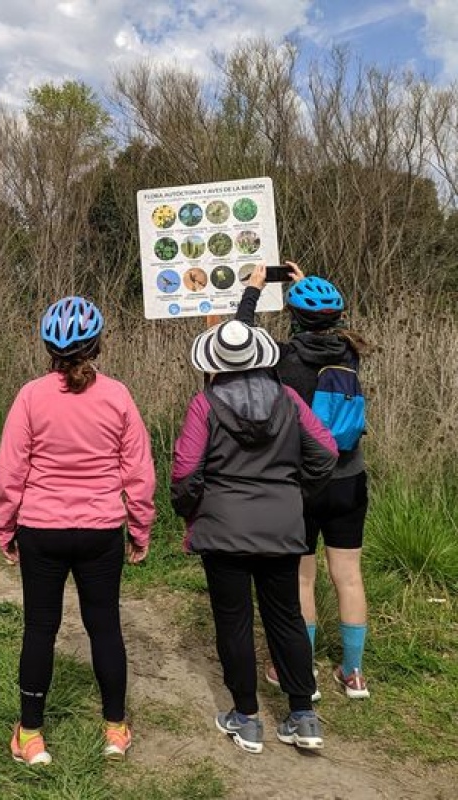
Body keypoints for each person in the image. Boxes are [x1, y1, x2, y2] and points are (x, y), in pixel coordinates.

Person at [0, 296, 155, 766]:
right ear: (98, 344)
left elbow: (9, 472)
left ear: (48, 347)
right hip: (101, 529)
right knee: (104, 625)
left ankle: (32, 736)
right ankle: (114, 730)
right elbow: (139, 473)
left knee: (40, 629)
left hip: (41, 529)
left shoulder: (30, 396)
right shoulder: (118, 395)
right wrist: (139, 530)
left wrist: (4, 527)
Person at [171, 318, 338, 754]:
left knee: (234, 620)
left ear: (216, 364)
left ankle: (245, 718)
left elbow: (186, 472)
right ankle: (303, 715)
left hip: (223, 529)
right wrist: (296, 494)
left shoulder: (204, 405)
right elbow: (326, 452)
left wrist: (192, 509)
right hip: (282, 527)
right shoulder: (289, 400)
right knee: (286, 618)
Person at [237, 263, 373, 700]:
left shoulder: (283, 359)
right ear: (337, 318)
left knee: (302, 579)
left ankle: (297, 667)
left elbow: (240, 339)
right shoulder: (348, 353)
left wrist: (254, 290)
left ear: (293, 318)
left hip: (302, 482)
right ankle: (353, 674)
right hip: (350, 479)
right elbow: (323, 322)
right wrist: (303, 282)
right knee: (348, 576)